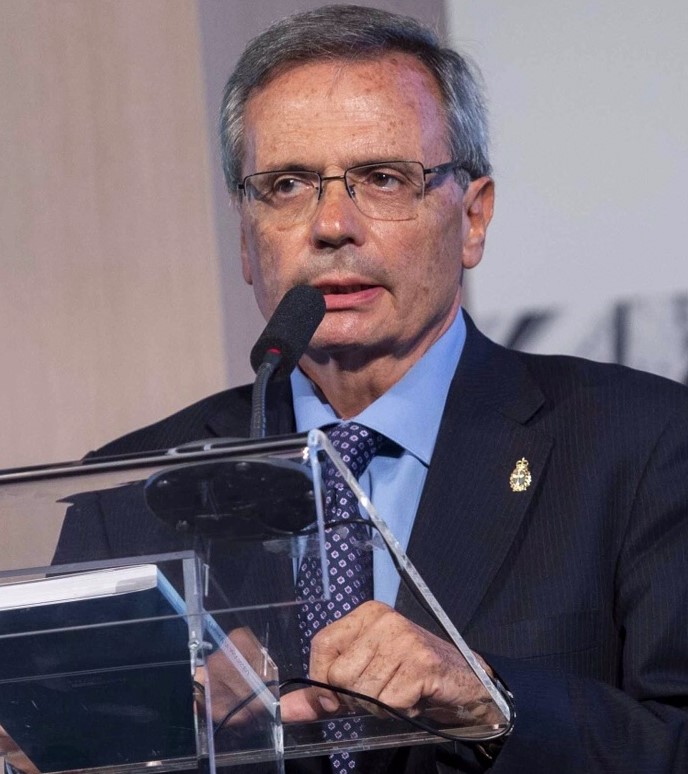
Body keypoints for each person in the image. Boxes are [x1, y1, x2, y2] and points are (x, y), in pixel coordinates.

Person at [4, 4, 687, 773]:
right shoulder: (125, 500)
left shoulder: (642, 447)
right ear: (246, 238)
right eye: (288, 184)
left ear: (473, 219)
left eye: (383, 178)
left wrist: (490, 703)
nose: (332, 225)